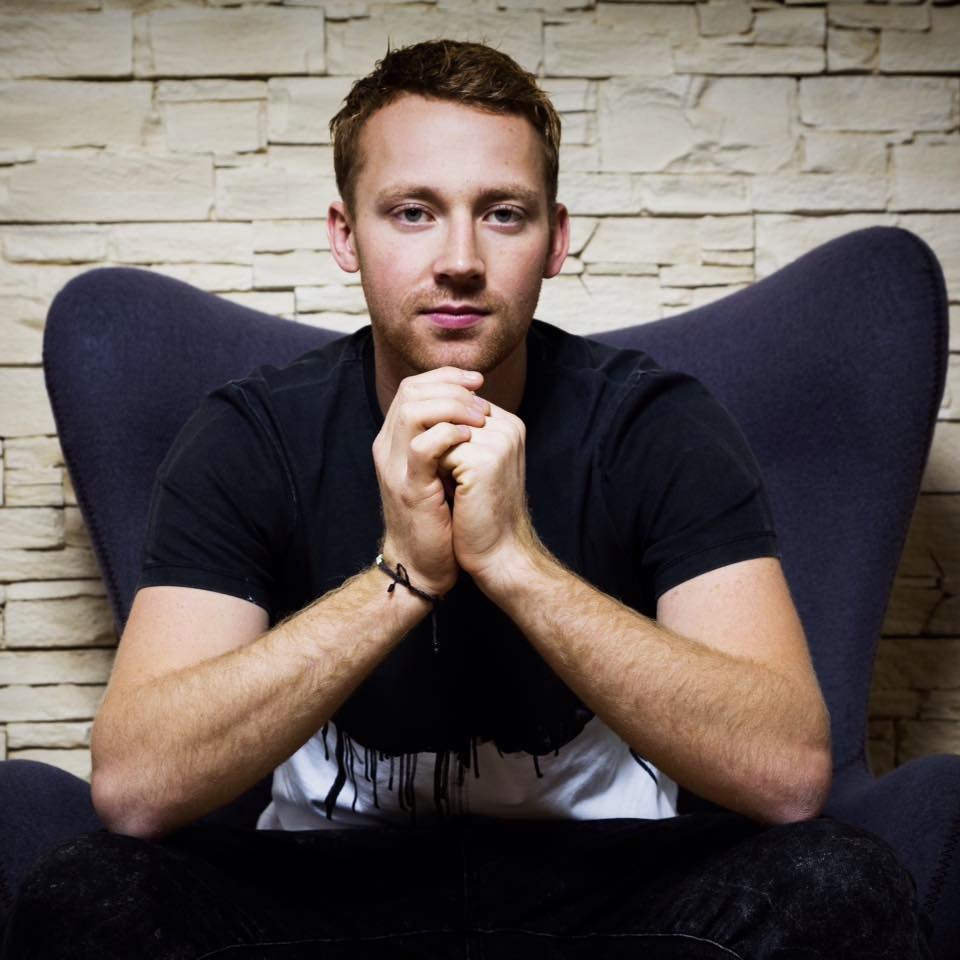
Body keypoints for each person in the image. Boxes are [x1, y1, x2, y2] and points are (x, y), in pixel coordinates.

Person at [0, 38, 932, 960]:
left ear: (555, 239)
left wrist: (516, 563)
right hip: (324, 890)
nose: (459, 260)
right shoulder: (251, 435)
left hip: (615, 886)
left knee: (842, 883)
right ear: (345, 235)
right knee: (89, 892)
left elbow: (788, 774)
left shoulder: (656, 424)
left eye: (503, 213)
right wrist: (402, 575)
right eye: (412, 212)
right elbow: (135, 789)